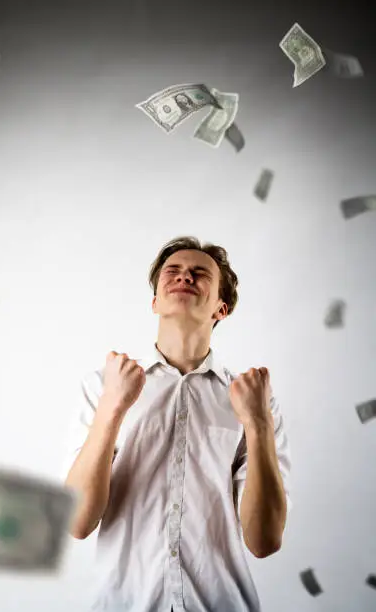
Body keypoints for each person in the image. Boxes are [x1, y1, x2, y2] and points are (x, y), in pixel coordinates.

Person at [64, 235, 292, 612]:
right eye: (173, 270)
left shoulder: (255, 401)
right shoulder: (102, 386)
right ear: (155, 301)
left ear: (222, 308)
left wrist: (257, 424)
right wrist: (112, 409)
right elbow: (76, 522)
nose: (184, 276)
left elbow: (264, 541)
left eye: (200, 273)